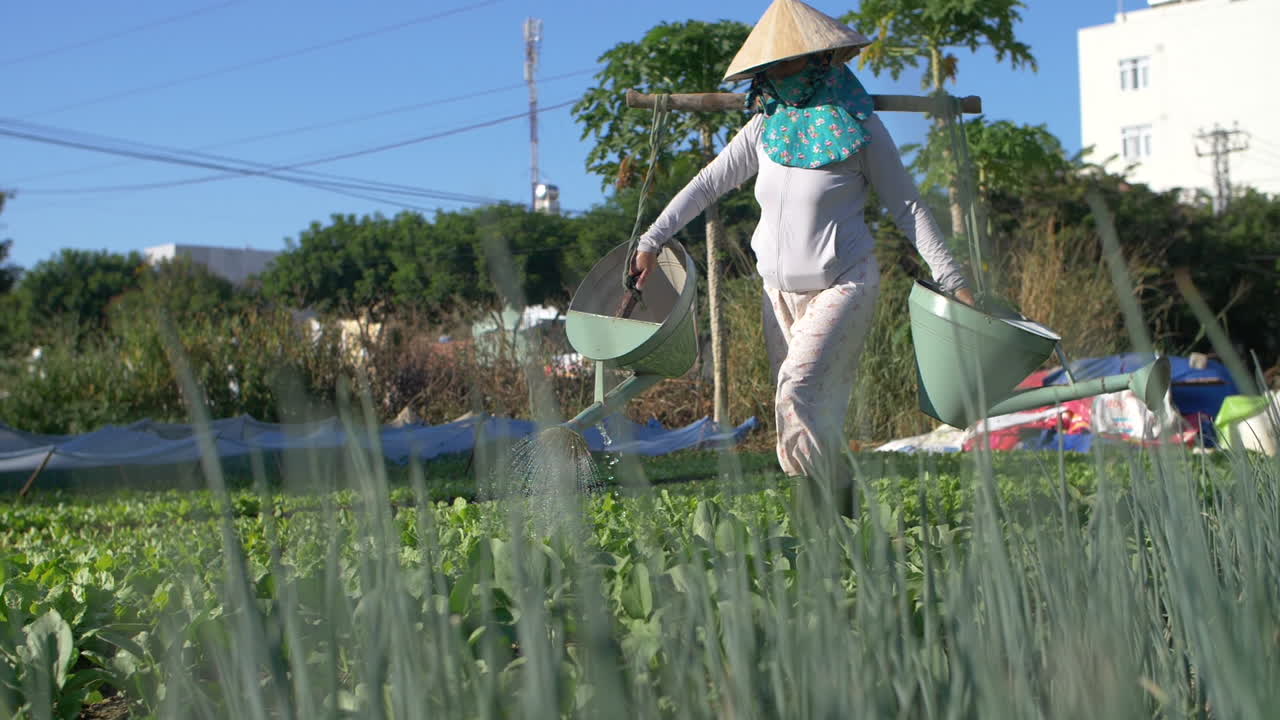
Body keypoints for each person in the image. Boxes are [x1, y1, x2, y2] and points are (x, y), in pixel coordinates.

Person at [629, 0, 974, 515]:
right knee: (815, 412)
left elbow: (908, 208)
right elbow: (707, 185)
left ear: (820, 62)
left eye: (786, 63)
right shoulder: (764, 130)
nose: (775, 75)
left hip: (843, 283)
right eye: (769, 67)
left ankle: (826, 511)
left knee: (795, 391)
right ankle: (842, 525)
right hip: (778, 292)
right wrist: (652, 240)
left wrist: (955, 281)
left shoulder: (861, 130)